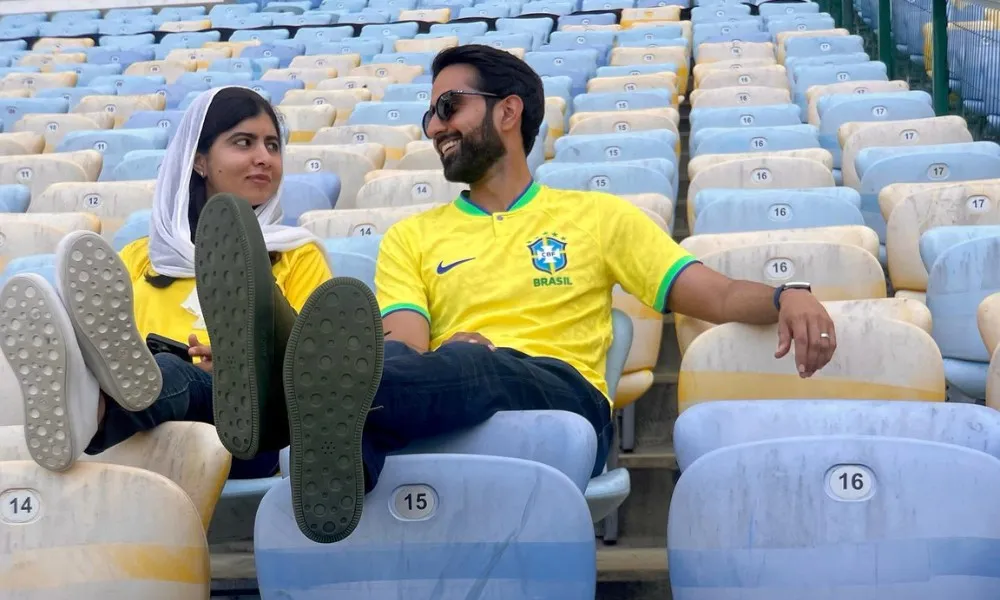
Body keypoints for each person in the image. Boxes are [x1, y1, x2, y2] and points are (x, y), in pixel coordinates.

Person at [0, 86, 332, 477]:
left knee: (167, 373)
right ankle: (94, 401)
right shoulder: (142, 257)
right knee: (148, 370)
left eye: (273, 146)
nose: (264, 158)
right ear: (200, 161)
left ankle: (93, 414)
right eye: (244, 142)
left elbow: (320, 364)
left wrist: (239, 366)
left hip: (248, 427)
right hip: (144, 435)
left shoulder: (297, 255)